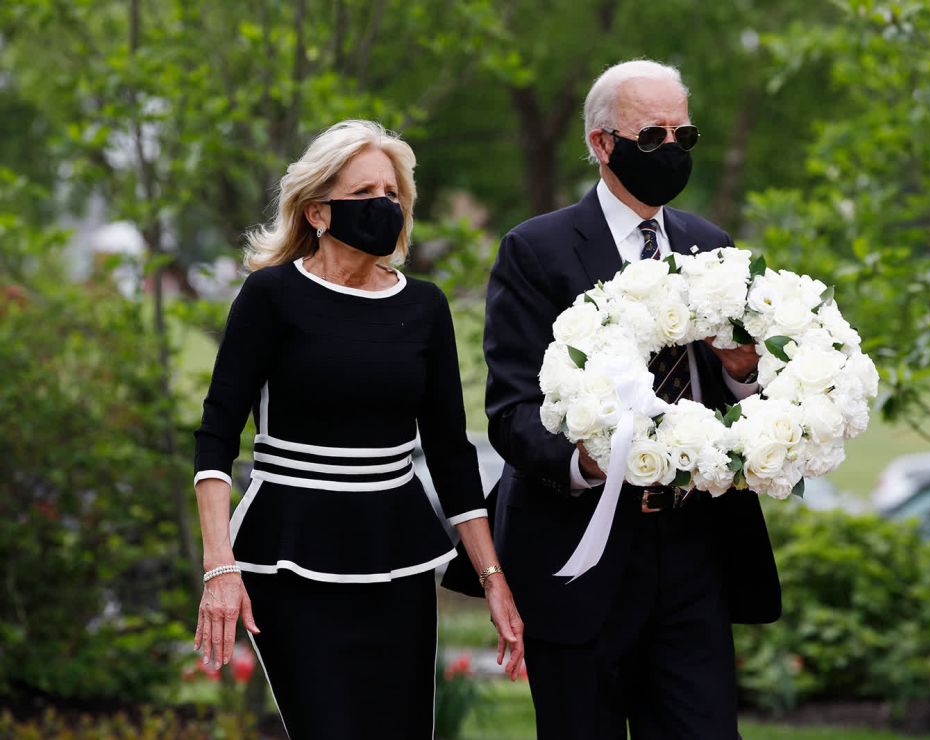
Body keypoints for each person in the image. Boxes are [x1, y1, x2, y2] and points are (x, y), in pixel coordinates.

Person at [467, 60, 781, 739]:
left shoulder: (712, 246)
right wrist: (592, 460)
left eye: (684, 135)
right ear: (602, 143)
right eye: (651, 137)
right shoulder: (535, 251)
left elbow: (746, 400)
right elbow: (512, 414)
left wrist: (742, 372)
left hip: (696, 548)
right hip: (582, 551)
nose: (671, 151)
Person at [191, 120, 523, 740]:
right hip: (288, 554)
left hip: (396, 555)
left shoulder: (425, 306)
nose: (385, 206)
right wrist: (220, 569)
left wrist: (494, 580)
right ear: (318, 211)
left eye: (393, 194)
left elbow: (452, 456)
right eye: (366, 193)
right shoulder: (271, 297)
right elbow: (215, 438)